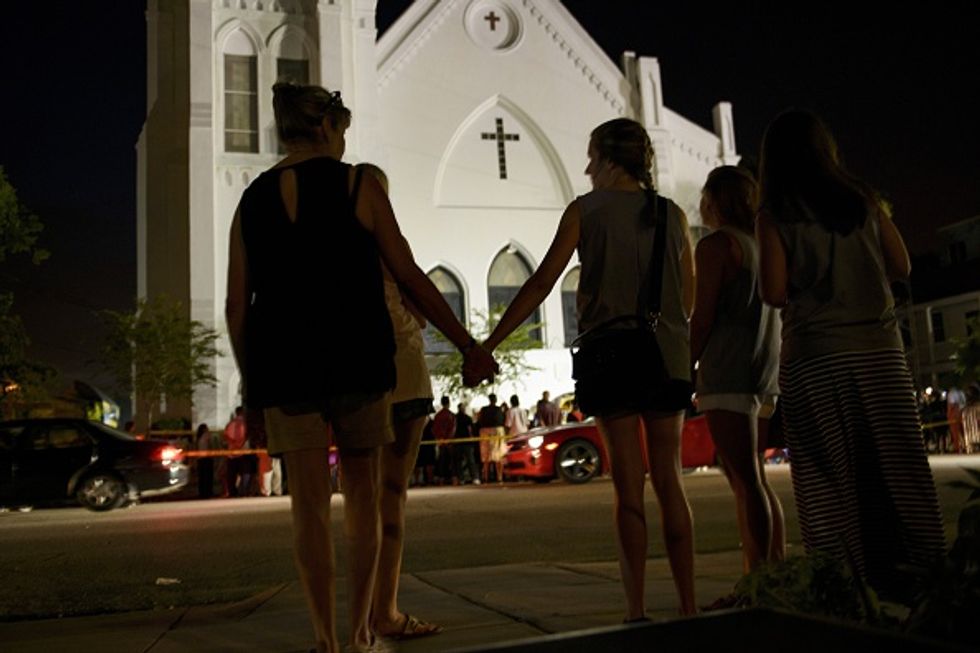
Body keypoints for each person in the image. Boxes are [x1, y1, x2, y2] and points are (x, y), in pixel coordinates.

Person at [225, 82, 496, 653]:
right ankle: (358, 633)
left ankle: (324, 638)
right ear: (326, 127)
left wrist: (253, 387)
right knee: (364, 502)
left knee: (308, 511)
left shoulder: (252, 198)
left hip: (286, 368)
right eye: (342, 129)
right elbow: (410, 275)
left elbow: (236, 305)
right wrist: (467, 343)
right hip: (357, 362)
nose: (344, 141)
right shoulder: (358, 186)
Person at [483, 118, 696, 618]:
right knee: (670, 480)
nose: (585, 168)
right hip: (667, 356)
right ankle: (689, 607)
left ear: (605, 159)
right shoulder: (673, 215)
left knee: (629, 486)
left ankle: (637, 608)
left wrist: (490, 342)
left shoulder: (586, 211)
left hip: (611, 354)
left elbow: (540, 284)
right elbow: (687, 296)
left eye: (590, 157)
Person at [755, 109, 945, 600]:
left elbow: (774, 292)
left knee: (826, 480)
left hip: (816, 357)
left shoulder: (775, 213)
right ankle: (930, 576)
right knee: (901, 467)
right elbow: (901, 264)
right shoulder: (859, 199)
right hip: (880, 353)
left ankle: (844, 589)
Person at [348, 163, 442, 641]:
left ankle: (358, 619)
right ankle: (384, 611)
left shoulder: (336, 250)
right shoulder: (389, 246)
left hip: (357, 378)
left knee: (360, 504)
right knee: (393, 501)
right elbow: (422, 309)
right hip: (405, 373)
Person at [690, 165, 784, 576]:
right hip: (765, 371)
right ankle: (774, 569)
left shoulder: (716, 247)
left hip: (728, 372)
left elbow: (703, 317)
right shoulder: (762, 244)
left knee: (743, 482)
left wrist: (684, 366)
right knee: (756, 479)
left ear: (714, 201)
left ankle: (757, 579)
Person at [477, 394, 506, 484]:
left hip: (484, 432)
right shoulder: (499, 410)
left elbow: (479, 420)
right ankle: (499, 477)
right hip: (497, 431)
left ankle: (486, 477)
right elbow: (503, 420)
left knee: (486, 456)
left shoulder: (483, 410)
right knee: (498, 455)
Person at [431, 395, 457, 485]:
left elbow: (434, 429)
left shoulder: (438, 416)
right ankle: (454, 479)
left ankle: (441, 480)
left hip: (440, 441)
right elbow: (453, 429)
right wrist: (448, 439)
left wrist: (439, 438)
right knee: (452, 461)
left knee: (441, 461)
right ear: (449, 403)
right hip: (449, 442)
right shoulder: (451, 415)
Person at [222, 406, 247, 497]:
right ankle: (242, 491)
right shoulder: (243, 424)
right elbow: (244, 437)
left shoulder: (230, 424)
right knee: (243, 473)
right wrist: (239, 444)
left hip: (231, 453)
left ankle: (232, 491)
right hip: (241, 452)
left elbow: (225, 436)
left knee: (231, 474)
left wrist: (231, 443)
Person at [454, 402, 480, 484]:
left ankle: (461, 479)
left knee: (458, 462)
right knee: (470, 461)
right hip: (467, 442)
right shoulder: (467, 418)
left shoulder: (455, 418)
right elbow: (470, 429)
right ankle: (475, 478)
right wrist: (472, 439)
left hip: (457, 442)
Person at [195, 423, 214, 499]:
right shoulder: (207, 435)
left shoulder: (198, 438)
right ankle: (208, 492)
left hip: (200, 458)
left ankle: (202, 492)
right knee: (208, 476)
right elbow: (210, 445)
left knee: (202, 477)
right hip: (207, 458)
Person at [947, 386, 967, 454]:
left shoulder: (951, 394)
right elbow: (964, 403)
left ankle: (957, 448)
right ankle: (965, 446)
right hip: (963, 413)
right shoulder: (961, 393)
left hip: (955, 415)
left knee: (955, 433)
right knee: (963, 432)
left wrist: (949, 414)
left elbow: (952, 405)